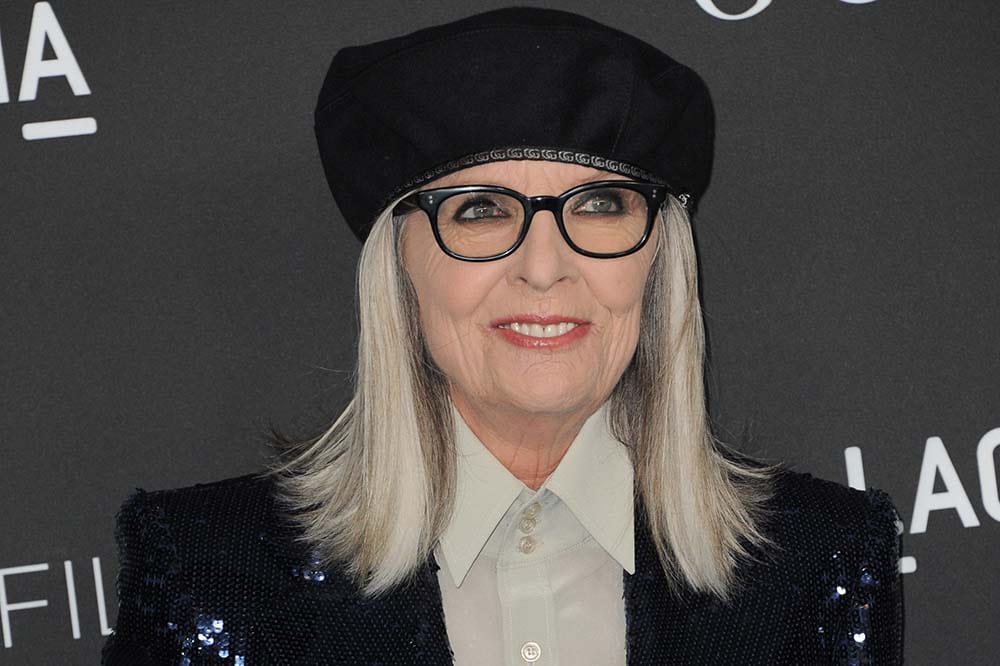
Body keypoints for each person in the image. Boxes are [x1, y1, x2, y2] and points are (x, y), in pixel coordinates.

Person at [102, 7, 905, 665]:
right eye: (481, 211)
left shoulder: (819, 563)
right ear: (400, 265)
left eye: (599, 205)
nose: (545, 268)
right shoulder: (212, 571)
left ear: (659, 257)